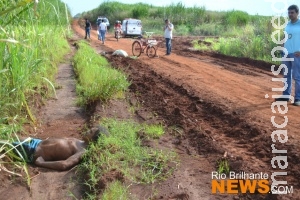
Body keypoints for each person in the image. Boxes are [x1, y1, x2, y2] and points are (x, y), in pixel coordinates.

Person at [12, 126, 109, 171]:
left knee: (5, 146)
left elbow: (65, 165)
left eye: (90, 132)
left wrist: (41, 163)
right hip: (36, 142)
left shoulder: (81, 152)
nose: (88, 131)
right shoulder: (80, 141)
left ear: (93, 140)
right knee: (9, 137)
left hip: (32, 151)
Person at [276, 5, 300, 106]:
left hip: (296, 54)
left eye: (292, 13)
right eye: (289, 13)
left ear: (297, 13)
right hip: (286, 53)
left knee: (297, 76)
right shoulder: (288, 24)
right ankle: (286, 95)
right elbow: (284, 37)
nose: (290, 14)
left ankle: (298, 98)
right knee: (286, 75)